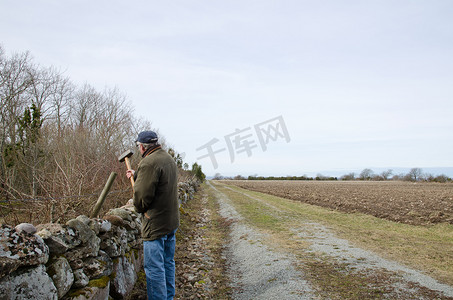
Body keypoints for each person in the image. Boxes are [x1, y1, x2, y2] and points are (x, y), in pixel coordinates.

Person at [126, 130, 180, 300]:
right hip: (170, 222)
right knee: (167, 263)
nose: (138, 148)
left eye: (138, 146)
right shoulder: (167, 158)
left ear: (142, 146)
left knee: (154, 268)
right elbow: (159, 180)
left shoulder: (148, 163)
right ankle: (168, 297)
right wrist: (137, 175)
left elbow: (141, 200)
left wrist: (138, 205)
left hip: (155, 225)